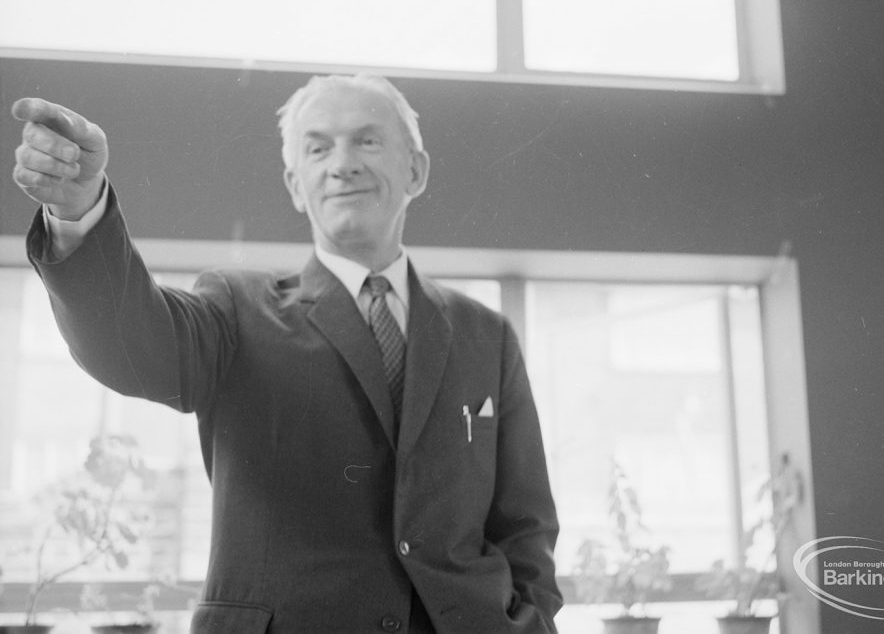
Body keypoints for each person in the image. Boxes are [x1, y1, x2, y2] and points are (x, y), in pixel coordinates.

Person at [10, 74, 562, 633]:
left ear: (416, 171)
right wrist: (79, 214)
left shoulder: (486, 335)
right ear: (296, 185)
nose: (342, 164)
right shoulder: (235, 310)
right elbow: (130, 344)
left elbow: (526, 526)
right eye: (318, 148)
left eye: (367, 141)